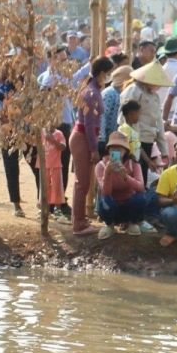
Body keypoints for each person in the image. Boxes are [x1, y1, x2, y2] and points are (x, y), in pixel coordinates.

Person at [66, 53, 106, 234]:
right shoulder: (91, 93)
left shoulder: (92, 89)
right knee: (82, 183)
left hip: (85, 136)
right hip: (84, 137)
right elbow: (89, 125)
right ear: (103, 73)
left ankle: (79, 219)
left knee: (83, 182)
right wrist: (93, 149)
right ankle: (79, 223)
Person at [93, 134, 148, 235]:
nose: (116, 150)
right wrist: (107, 172)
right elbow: (106, 193)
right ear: (108, 150)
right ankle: (109, 225)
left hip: (128, 206)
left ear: (126, 150)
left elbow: (141, 188)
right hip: (111, 207)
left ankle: (132, 223)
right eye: (113, 148)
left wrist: (126, 177)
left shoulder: (133, 163)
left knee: (141, 197)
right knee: (105, 200)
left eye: (119, 148)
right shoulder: (101, 166)